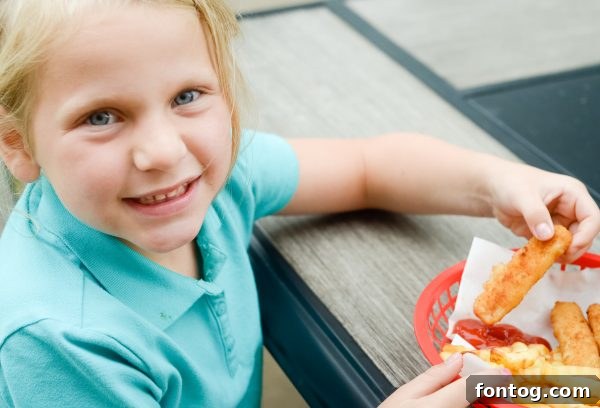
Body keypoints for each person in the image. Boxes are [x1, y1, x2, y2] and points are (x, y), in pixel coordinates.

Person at [0, 1, 597, 407]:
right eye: (100, 117)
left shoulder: (218, 180)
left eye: (187, 95)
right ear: (19, 145)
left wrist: (499, 181)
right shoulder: (58, 342)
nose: (162, 151)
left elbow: (368, 166)